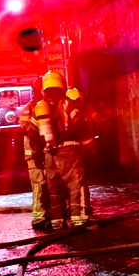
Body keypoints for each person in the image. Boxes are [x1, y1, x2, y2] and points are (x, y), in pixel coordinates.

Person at [35, 71, 94, 229]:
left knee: (55, 189)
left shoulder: (42, 106)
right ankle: (79, 219)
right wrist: (89, 144)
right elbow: (79, 123)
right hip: (69, 150)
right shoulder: (68, 103)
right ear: (63, 85)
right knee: (76, 185)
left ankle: (57, 222)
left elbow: (33, 131)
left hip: (49, 152)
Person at [19, 77, 52, 232]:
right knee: (39, 185)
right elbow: (26, 128)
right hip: (34, 153)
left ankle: (52, 214)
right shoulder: (31, 107)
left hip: (46, 151)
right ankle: (39, 218)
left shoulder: (46, 105)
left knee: (51, 184)